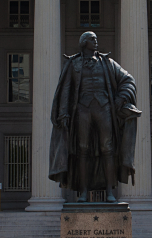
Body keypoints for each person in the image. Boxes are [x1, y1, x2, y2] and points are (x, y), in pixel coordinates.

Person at [49, 31, 141, 202]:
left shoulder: (107, 63)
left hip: (104, 108)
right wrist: (63, 113)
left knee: (108, 148)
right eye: (92, 39)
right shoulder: (73, 64)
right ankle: (83, 192)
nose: (96, 41)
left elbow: (128, 80)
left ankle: (109, 192)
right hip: (82, 110)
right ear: (84, 42)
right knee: (82, 149)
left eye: (96, 39)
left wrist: (120, 99)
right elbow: (66, 89)